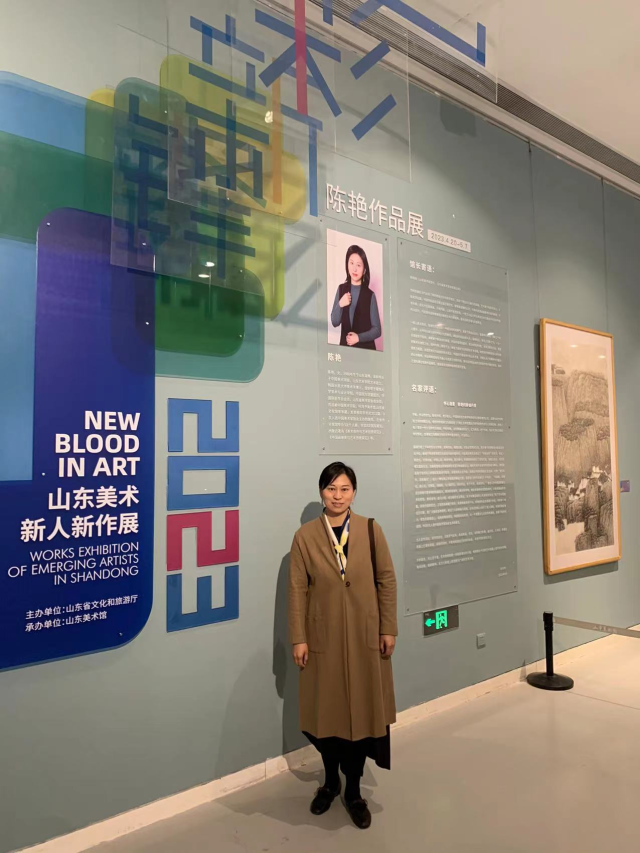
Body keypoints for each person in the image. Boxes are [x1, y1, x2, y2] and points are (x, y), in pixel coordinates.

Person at [288, 462, 397, 829]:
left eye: (345, 489)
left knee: (361, 718)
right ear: (321, 492)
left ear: (354, 492)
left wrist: (388, 627)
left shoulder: (370, 530)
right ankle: (330, 782)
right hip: (323, 640)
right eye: (331, 488)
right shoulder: (305, 536)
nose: (338, 496)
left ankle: (353, 791)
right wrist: (299, 637)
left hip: (366, 638)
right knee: (327, 717)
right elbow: (297, 590)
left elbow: (386, 580)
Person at [330, 245, 382, 350]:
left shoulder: (370, 295)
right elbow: (334, 322)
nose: (354, 269)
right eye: (351, 263)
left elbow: (377, 330)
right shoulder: (341, 289)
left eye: (358, 265)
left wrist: (358, 337)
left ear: (364, 270)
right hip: (345, 351)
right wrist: (340, 304)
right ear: (347, 264)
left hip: (366, 352)